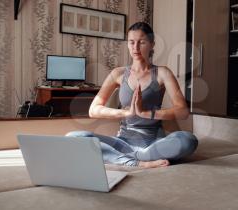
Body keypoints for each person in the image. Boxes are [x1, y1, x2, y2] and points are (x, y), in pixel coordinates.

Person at [66, 22, 198, 168]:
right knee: (74, 137)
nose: (135, 47)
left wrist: (145, 113)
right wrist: (127, 112)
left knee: (188, 140)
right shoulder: (118, 73)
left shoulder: (162, 73)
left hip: (154, 143)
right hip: (123, 142)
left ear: (152, 44)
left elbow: (182, 111)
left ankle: (124, 158)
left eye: (142, 42)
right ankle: (136, 162)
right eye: (131, 42)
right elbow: (94, 110)